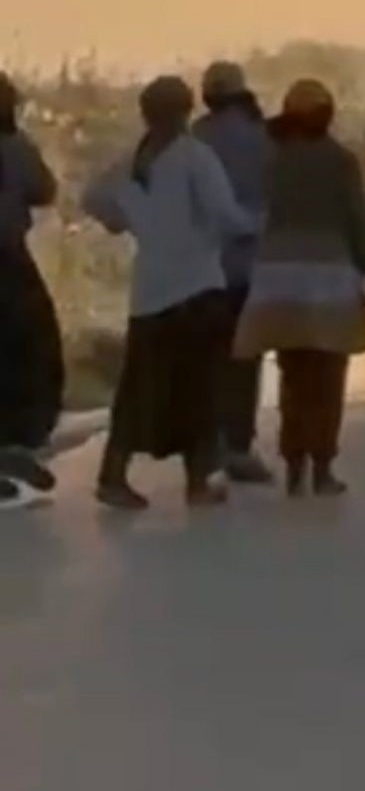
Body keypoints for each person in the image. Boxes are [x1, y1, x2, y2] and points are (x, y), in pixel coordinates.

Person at [84, 76, 253, 511]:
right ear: (185, 110)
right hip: (197, 287)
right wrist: (261, 225)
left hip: (149, 292)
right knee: (201, 389)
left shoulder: (132, 162)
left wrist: (121, 221)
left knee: (139, 389)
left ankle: (113, 476)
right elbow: (226, 214)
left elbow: (93, 198)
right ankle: (198, 482)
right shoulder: (195, 157)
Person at [234, 80, 365, 497]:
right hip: (328, 276)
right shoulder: (340, 160)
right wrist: (361, 261)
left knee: (292, 374)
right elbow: (356, 218)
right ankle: (322, 468)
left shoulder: (272, 159)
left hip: (277, 277)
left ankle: (293, 463)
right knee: (328, 377)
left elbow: (258, 212)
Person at [193, 61, 274, 485]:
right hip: (248, 265)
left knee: (209, 360)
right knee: (244, 359)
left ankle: (209, 446)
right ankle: (239, 446)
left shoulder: (193, 140)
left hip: (203, 269)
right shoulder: (261, 137)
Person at [0, 73, 61, 502]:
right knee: (30, 352)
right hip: (8, 262)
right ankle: (15, 440)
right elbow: (45, 190)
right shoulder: (16, 147)